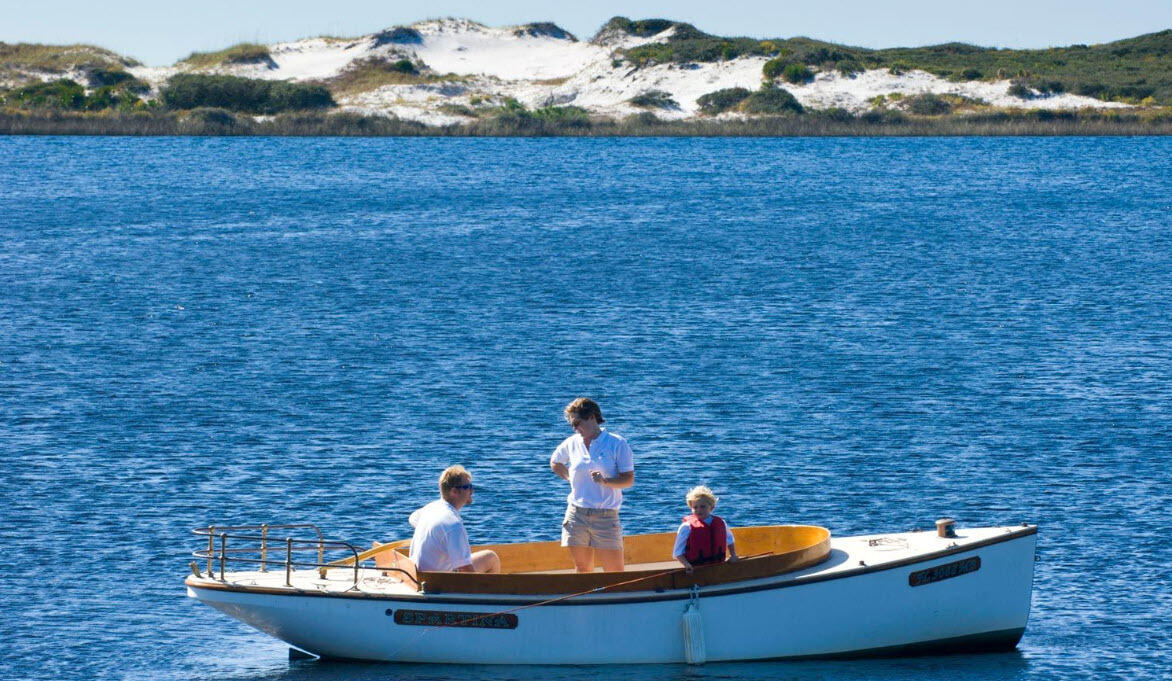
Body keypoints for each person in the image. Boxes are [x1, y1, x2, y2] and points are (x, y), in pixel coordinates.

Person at [550, 397, 635, 572]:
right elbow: (555, 462)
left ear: (591, 417)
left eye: (577, 423)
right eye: (572, 425)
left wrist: (605, 481)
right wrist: (569, 478)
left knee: (614, 573)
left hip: (605, 515)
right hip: (576, 514)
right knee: (582, 569)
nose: (575, 429)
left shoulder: (616, 443)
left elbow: (628, 480)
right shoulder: (572, 442)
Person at [407, 465, 500, 573]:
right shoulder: (453, 525)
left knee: (484, 556)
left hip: (417, 574)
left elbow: (412, 518)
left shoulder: (430, 508)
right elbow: (466, 571)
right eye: (467, 487)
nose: (472, 491)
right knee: (491, 558)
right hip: (438, 579)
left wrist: (432, 532)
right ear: (454, 491)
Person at [673, 485, 738, 574]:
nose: (699, 510)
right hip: (696, 568)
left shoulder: (721, 523)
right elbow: (677, 552)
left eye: (703, 506)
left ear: (711, 507)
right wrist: (687, 565)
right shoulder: (686, 527)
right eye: (695, 507)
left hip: (718, 566)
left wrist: (733, 555)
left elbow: (730, 540)